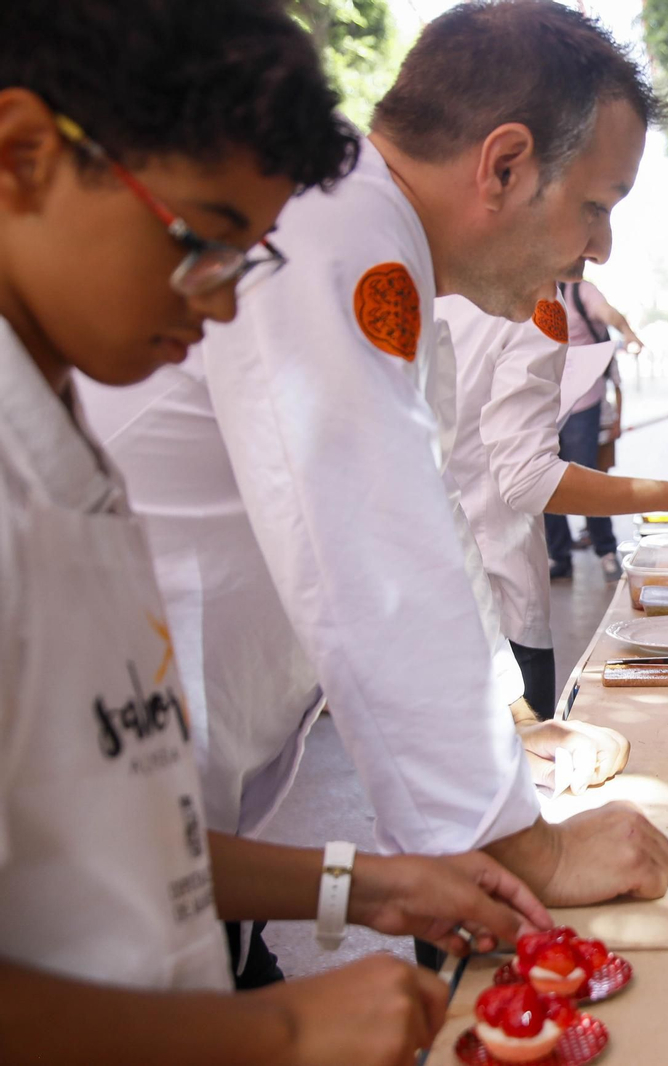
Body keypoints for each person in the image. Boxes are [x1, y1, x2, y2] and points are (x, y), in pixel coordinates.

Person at [76, 0, 668, 984]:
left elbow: (422, 521)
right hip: (107, 849)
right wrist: (528, 846)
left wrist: (513, 724)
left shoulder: (377, 240)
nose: (601, 249)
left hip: (181, 828)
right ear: (505, 164)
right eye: (598, 204)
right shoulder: (344, 230)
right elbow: (370, 553)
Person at [0, 0, 550, 1059]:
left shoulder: (68, 444)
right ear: (23, 154)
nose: (217, 305)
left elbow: (110, 827)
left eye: (242, 258)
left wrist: (364, 883)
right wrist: (274, 1028)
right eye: (201, 239)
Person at [440, 285, 668, 720]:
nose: (602, 246)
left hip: (427, 602)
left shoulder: (421, 284)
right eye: (592, 212)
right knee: (524, 773)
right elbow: (528, 478)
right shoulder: (537, 300)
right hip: (500, 604)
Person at [545, 275, 642, 583]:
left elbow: (609, 314)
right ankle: (558, 555)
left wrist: (627, 332)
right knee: (543, 481)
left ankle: (606, 551)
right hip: (543, 405)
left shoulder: (578, 291)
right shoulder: (530, 287)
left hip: (582, 405)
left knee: (588, 477)